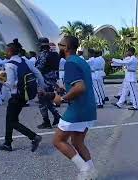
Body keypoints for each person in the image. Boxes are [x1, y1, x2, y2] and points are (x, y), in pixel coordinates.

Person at [49, 36, 97, 179]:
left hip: (78, 110)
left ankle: (84, 171)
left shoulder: (69, 63)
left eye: (60, 44)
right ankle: (92, 172)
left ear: (67, 48)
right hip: (89, 108)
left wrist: (61, 99)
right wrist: (63, 89)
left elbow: (80, 87)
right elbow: (79, 84)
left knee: (58, 141)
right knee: (77, 142)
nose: (58, 47)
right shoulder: (81, 61)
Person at [0, 39, 44, 152]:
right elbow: (37, 73)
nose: (5, 53)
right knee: (10, 118)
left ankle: (34, 137)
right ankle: (7, 143)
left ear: (10, 52)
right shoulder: (24, 60)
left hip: (16, 96)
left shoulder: (9, 65)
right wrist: (41, 87)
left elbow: (10, 84)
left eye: (6, 51)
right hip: (25, 94)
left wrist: (1, 80)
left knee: (12, 120)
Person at [35, 37, 61, 129]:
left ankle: (46, 122)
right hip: (52, 81)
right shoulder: (55, 55)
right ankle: (57, 116)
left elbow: (39, 68)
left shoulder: (43, 55)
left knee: (42, 101)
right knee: (47, 101)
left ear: (42, 46)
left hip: (44, 81)